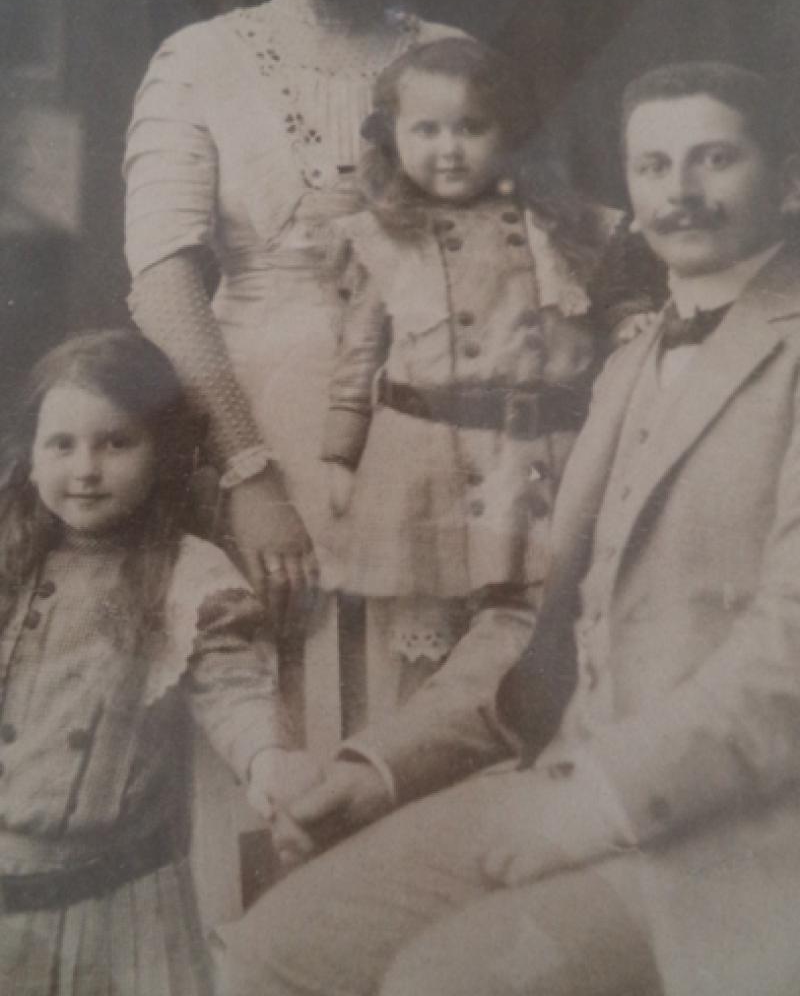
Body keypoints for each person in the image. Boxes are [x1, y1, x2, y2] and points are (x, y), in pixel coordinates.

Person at [214, 61, 800, 996]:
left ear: (790, 178)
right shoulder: (625, 362)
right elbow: (535, 618)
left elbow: (788, 661)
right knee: (271, 954)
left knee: (442, 984)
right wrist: (382, 767)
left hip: (739, 838)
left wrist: (599, 802)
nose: (680, 192)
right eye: (653, 166)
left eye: (715, 159)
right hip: (562, 782)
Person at [123, 0, 462, 750]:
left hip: (424, 412)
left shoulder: (448, 56)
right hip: (253, 405)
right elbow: (163, 278)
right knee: (272, 688)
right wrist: (247, 469)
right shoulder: (201, 59)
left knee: (413, 701)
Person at [0, 329, 320, 996]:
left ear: (163, 452)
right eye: (62, 445)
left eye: (116, 443)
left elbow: (233, 685)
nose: (86, 469)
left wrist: (267, 759)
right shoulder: (11, 558)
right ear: (29, 457)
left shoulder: (186, 574)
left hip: (118, 910)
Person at [322, 36, 628, 717]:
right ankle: (411, 763)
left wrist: (631, 320)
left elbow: (614, 311)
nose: (449, 149)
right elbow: (357, 353)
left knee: (534, 637)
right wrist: (341, 453)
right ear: (394, 137)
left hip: (536, 462)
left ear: (510, 134)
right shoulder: (384, 236)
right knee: (426, 646)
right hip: (423, 464)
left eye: (471, 128)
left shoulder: (561, 227)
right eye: (426, 131)